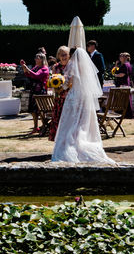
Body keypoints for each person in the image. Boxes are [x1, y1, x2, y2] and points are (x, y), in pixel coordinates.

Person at [51, 18, 114, 164]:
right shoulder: (85, 68)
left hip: (73, 97)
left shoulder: (73, 67)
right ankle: (81, 142)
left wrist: (60, 87)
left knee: (70, 123)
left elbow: (68, 83)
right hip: (84, 98)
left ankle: (70, 147)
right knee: (81, 124)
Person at [20, 53, 50, 134]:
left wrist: (27, 68)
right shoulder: (36, 67)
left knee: (41, 110)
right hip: (34, 90)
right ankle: (35, 127)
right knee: (33, 110)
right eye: (35, 58)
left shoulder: (44, 69)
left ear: (42, 59)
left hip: (40, 92)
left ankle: (44, 126)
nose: (35, 59)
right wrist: (24, 67)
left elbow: (36, 76)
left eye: (38, 58)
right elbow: (28, 74)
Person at [48, 46, 71, 141]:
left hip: (69, 98)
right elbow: (52, 80)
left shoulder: (72, 66)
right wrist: (55, 89)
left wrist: (63, 88)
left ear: (69, 55)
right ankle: (59, 142)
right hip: (58, 98)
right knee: (58, 119)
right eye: (61, 55)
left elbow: (72, 82)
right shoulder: (55, 67)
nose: (63, 56)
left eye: (65, 54)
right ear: (58, 56)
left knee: (68, 121)